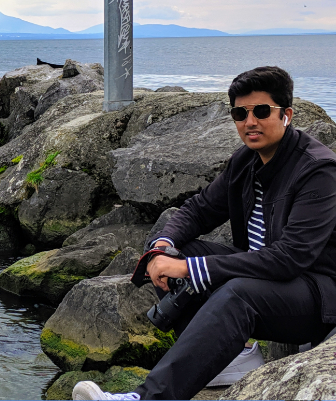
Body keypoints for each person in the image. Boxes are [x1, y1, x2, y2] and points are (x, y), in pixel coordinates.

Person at [72, 66, 336, 401]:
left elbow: (290, 257)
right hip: (267, 278)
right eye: (240, 113)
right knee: (176, 254)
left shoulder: (318, 170)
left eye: (262, 111)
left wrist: (191, 270)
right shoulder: (246, 161)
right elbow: (198, 209)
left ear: (287, 114)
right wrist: (162, 248)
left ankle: (145, 398)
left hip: (316, 294)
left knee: (232, 289)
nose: (250, 122)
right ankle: (235, 359)